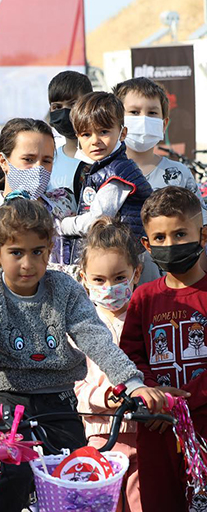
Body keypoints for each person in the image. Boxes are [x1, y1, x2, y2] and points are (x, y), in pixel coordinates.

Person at [0, 198, 168, 512]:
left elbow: (95, 337)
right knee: (14, 475)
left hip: (59, 397)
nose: (27, 264)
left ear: (49, 249)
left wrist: (133, 383)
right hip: (7, 398)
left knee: (75, 475)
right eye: (16, 253)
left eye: (37, 252)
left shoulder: (65, 288)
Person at [120, 187, 207, 511]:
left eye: (180, 234)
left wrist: (178, 404)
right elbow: (130, 357)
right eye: (159, 238)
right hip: (155, 429)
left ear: (203, 235)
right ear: (146, 245)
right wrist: (154, 398)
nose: (170, 245)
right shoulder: (143, 298)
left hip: (201, 427)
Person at [74, 218, 145, 512]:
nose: (109, 287)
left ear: (136, 273)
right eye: (99, 280)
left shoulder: (145, 318)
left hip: (144, 434)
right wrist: (104, 396)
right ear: (83, 278)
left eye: (119, 278)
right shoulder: (78, 328)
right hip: (99, 437)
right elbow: (73, 384)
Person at [0, 118, 77, 270]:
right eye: (28, 159)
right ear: (3, 162)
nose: (38, 168)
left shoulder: (63, 202)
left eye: (46, 161)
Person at [57, 92, 153, 265]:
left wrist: (64, 225)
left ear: (122, 133)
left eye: (104, 132)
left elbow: (97, 219)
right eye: (86, 134)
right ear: (77, 137)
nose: (95, 140)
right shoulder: (101, 169)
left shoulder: (116, 174)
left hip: (126, 260)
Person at [114, 77, 201, 198]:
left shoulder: (180, 175)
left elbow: (198, 216)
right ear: (117, 120)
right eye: (134, 112)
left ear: (163, 124)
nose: (144, 119)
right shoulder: (103, 173)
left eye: (152, 113)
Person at [47, 70, 93, 200]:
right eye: (57, 107)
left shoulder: (105, 158)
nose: (64, 112)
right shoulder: (48, 161)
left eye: (73, 104)